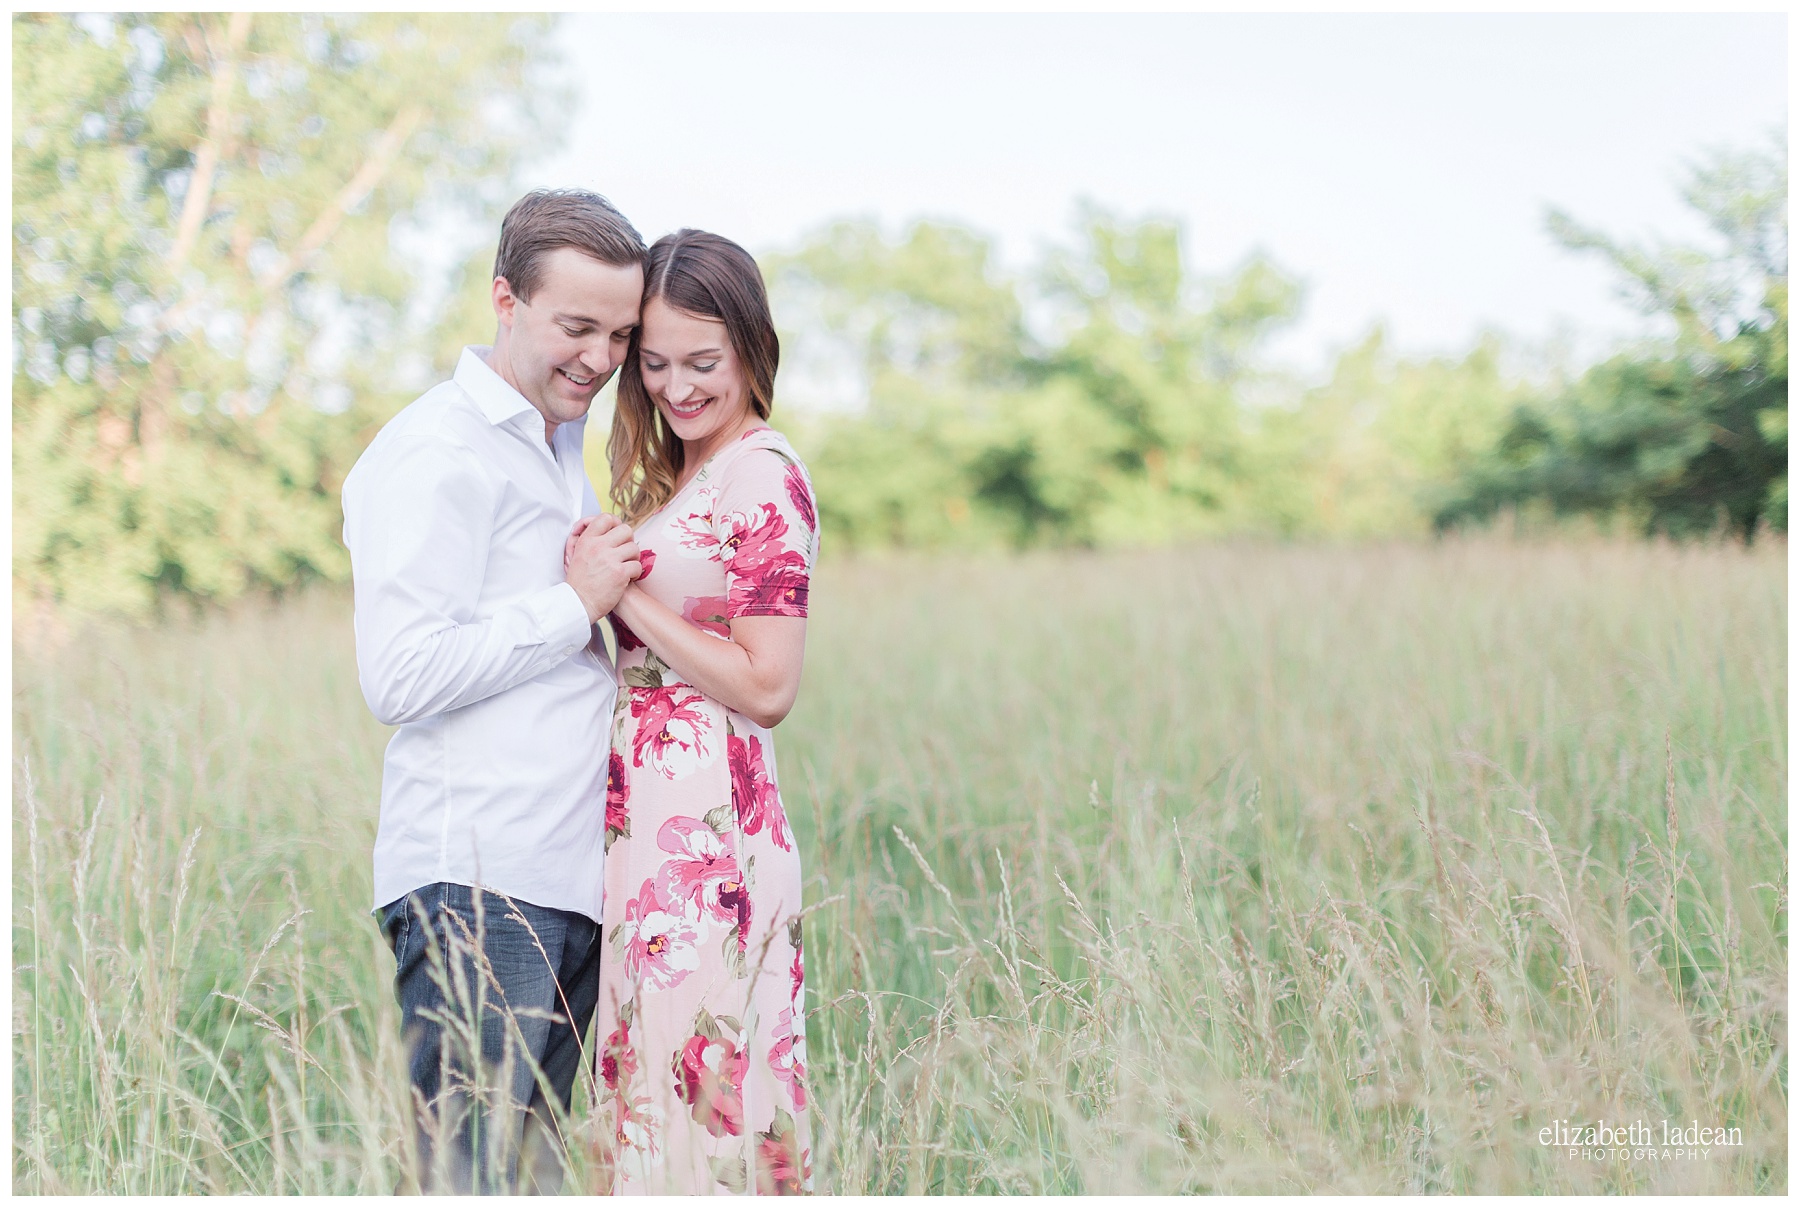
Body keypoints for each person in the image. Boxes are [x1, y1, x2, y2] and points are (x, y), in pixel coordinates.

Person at [340, 189, 648, 1193]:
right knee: (470, 1180)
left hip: (562, 883)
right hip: (479, 887)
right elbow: (401, 671)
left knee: (533, 1182)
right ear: (505, 300)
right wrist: (573, 604)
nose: (600, 359)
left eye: (619, 334)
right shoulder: (435, 449)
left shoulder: (560, 450)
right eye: (576, 327)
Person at [577, 229, 817, 1193]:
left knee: (705, 1121)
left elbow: (769, 686)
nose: (678, 388)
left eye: (703, 362)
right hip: (658, 842)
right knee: (653, 1116)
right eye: (657, 364)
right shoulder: (694, 474)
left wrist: (621, 594)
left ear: (752, 348)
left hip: (711, 849)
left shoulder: (761, 470)